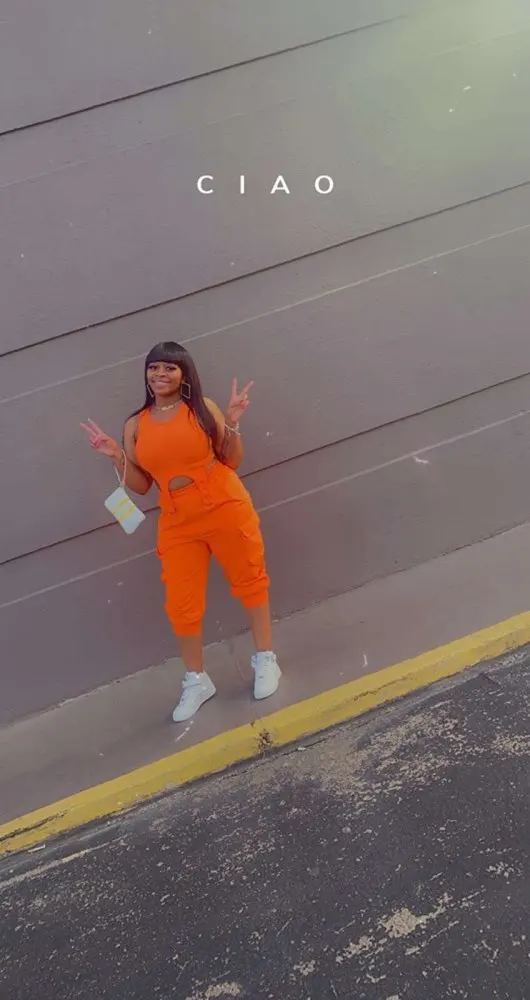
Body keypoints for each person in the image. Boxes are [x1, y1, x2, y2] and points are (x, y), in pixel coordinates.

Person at [81, 341, 281, 722]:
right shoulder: (135, 424)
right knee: (181, 605)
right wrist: (117, 455)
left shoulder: (202, 409)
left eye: (169, 368)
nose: (160, 374)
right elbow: (142, 486)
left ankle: (265, 659)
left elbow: (232, 460)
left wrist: (233, 420)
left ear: (184, 373)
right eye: (154, 367)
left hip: (223, 505)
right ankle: (197, 680)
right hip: (176, 521)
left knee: (250, 580)